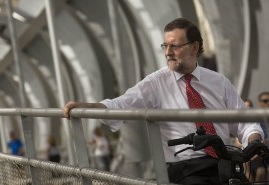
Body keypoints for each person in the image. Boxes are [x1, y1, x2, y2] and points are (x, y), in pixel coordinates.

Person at [63, 18, 264, 184]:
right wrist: (89, 107)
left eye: (174, 46)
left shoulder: (219, 82)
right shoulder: (156, 82)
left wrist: (254, 141)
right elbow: (122, 103)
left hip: (223, 162)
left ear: (194, 48)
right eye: (165, 46)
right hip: (184, 168)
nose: (167, 52)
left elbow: (244, 121)